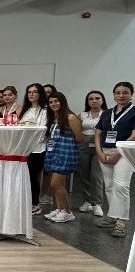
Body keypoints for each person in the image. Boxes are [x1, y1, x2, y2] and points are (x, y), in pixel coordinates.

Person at [95, 82, 135, 237]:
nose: (121, 95)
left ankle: (121, 223)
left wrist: (119, 152)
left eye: (125, 92)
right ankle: (112, 217)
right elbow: (98, 134)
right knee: (109, 186)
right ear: (113, 95)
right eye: (118, 92)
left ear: (131, 94)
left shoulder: (133, 111)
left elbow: (134, 134)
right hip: (105, 151)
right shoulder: (107, 113)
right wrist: (99, 152)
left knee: (121, 186)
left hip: (125, 153)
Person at [43, 92, 83, 223]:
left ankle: (68, 212)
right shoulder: (53, 118)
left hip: (65, 154)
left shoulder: (70, 117)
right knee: (56, 185)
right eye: (51, 102)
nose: (53, 104)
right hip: (53, 154)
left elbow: (79, 138)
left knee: (55, 184)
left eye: (56, 101)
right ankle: (59, 209)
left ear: (63, 102)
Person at [19, 83, 48, 214]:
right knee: (25, 176)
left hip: (37, 148)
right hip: (24, 148)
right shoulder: (26, 109)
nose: (31, 94)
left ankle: (35, 204)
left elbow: (42, 131)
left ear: (40, 94)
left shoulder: (44, 110)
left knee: (32, 176)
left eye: (35, 92)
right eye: (29, 92)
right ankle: (27, 202)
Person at [77, 90, 107, 217]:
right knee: (84, 174)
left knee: (96, 176)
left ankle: (97, 204)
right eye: (91, 99)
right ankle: (87, 201)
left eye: (97, 98)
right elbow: (77, 130)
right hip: (84, 145)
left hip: (100, 146)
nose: (94, 101)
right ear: (87, 101)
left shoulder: (107, 114)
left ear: (102, 100)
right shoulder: (82, 115)